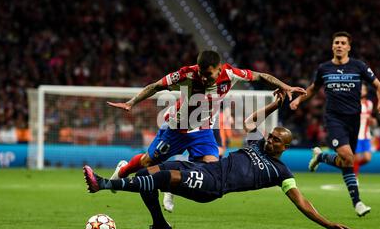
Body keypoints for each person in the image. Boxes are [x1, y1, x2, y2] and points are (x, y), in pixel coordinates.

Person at [83, 90, 354, 229]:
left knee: (163, 176)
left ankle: (105, 184)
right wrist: (275, 104)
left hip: (213, 186)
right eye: (270, 137)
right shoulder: (257, 145)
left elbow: (302, 202)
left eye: (276, 141)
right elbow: (250, 123)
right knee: (147, 173)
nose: (270, 141)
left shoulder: (281, 173)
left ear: (285, 147)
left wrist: (327, 224)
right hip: (207, 170)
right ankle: (159, 224)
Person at [107, 50, 307, 212]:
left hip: (202, 130)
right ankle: (122, 169)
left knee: (210, 168)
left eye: (209, 74)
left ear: (219, 69)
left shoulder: (230, 74)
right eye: (201, 73)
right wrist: (131, 103)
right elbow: (156, 86)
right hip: (176, 128)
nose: (204, 78)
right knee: (148, 162)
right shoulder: (186, 74)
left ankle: (172, 188)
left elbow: (261, 75)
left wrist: (286, 86)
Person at [289, 31, 380, 217]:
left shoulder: (358, 66)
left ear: (349, 47)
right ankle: (358, 202)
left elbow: (379, 86)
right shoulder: (324, 68)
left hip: (354, 120)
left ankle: (322, 158)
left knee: (346, 161)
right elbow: (312, 89)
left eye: (343, 43)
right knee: (347, 156)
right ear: (332, 46)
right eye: (336, 42)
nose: (339, 45)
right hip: (334, 119)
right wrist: (298, 101)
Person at [354, 83, 377, 176]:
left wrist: (372, 121)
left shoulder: (369, 104)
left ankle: (350, 168)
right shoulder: (354, 104)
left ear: (366, 92)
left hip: (366, 136)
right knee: (356, 158)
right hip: (356, 136)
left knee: (367, 158)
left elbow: (370, 119)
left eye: (363, 89)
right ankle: (354, 178)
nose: (361, 90)